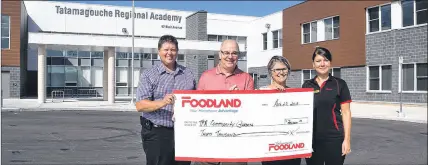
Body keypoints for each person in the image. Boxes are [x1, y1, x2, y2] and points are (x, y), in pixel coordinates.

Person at [135, 35, 195, 165]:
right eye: (166, 49)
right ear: (159, 51)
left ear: (177, 52)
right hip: (157, 133)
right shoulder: (149, 74)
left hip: (183, 133)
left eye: (173, 50)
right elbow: (140, 105)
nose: (169, 53)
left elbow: (199, 99)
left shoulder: (188, 74)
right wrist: (163, 102)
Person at [194, 39, 254, 165]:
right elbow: (195, 110)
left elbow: (251, 113)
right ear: (220, 54)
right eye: (226, 52)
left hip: (235, 149)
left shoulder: (247, 78)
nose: (230, 56)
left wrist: (241, 99)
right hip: (208, 147)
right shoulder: (206, 76)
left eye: (234, 53)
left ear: (239, 55)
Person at [302, 47, 352, 165]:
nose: (322, 64)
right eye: (318, 61)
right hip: (312, 140)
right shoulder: (307, 85)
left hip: (334, 139)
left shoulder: (339, 84)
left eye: (325, 60)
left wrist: (347, 140)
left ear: (330, 63)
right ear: (313, 64)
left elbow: (346, 113)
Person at [259, 55, 301, 165]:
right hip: (270, 150)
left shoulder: (295, 94)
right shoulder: (260, 92)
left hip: (292, 148)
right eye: (277, 69)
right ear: (270, 72)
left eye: (284, 69)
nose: (281, 72)